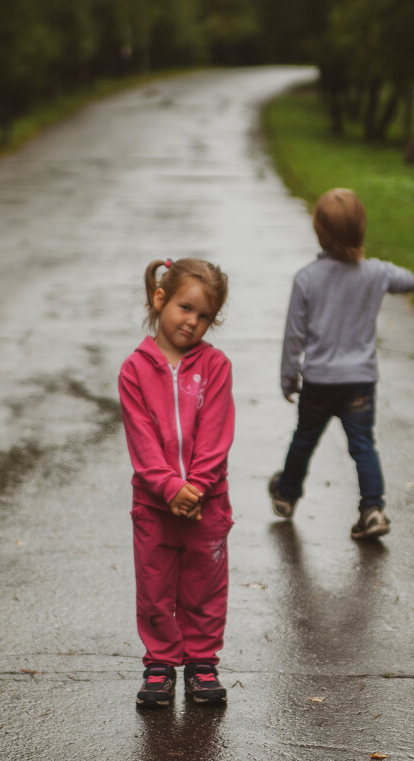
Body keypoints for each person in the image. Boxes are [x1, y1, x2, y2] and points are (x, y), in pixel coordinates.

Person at [268, 188, 414, 539]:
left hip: (319, 382)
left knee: (304, 440)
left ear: (318, 230)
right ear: (361, 230)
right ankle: (373, 509)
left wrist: (289, 378)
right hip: (359, 382)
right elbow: (409, 281)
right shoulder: (375, 273)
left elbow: (294, 336)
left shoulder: (306, 279)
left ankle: (287, 495)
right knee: (363, 444)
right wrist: (388, 276)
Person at [119, 258, 235, 707]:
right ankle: (160, 664)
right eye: (186, 308)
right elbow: (141, 440)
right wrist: (169, 487)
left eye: (204, 316)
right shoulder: (135, 369)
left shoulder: (216, 366)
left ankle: (202, 663)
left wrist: (198, 486)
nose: (193, 322)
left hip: (208, 502)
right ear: (160, 298)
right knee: (155, 586)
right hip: (154, 504)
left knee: (205, 585)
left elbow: (217, 432)